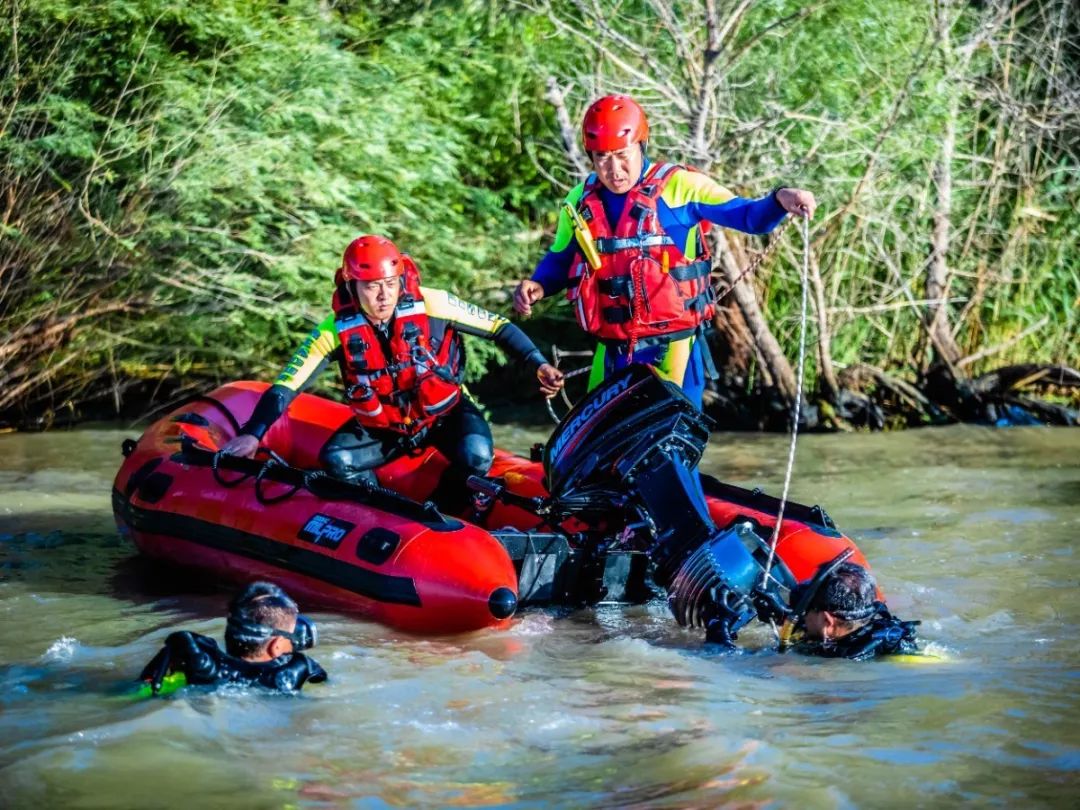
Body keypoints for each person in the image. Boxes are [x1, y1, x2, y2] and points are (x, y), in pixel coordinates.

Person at [513, 94, 817, 410]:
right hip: (611, 352)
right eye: (602, 157)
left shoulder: (682, 187)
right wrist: (539, 285)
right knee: (605, 454)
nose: (613, 169)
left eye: (621, 155)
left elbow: (749, 217)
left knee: (668, 455)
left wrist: (781, 199)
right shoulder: (579, 200)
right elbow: (561, 258)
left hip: (674, 349)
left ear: (640, 145)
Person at [221, 234, 564, 513]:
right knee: (336, 460)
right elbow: (286, 386)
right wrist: (253, 434)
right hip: (384, 426)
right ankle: (381, 511)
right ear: (351, 286)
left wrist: (539, 364)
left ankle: (442, 510)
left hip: (445, 414)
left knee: (476, 456)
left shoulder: (434, 303)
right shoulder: (334, 330)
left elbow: (499, 328)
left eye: (389, 283)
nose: (383, 295)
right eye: (371, 286)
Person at [139, 581, 327, 694]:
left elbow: (132, 692)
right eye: (293, 637)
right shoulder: (296, 670)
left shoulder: (199, 662)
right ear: (276, 646)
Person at [782, 559, 920, 660]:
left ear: (827, 620)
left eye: (805, 612)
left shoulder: (844, 660)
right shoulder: (870, 618)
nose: (802, 618)